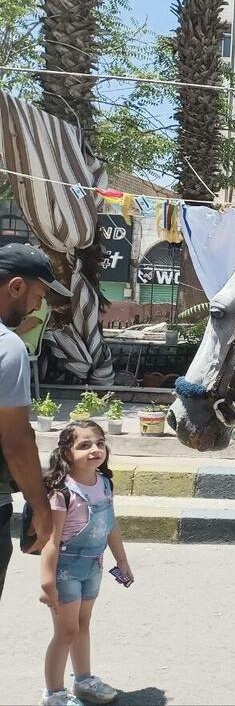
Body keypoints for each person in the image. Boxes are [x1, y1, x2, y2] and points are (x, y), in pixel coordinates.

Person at [40, 420, 130, 706]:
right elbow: (52, 541)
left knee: (82, 624)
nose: (95, 450)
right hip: (65, 571)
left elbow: (110, 525)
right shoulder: (62, 491)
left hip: (94, 566)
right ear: (66, 453)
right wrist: (47, 582)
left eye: (100, 443)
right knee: (65, 632)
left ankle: (84, 680)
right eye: (84, 445)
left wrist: (122, 561)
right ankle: (53, 694)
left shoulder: (104, 483)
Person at [0, 244, 71, 601]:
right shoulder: (7, 347)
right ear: (16, 287)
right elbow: (16, 442)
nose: (37, 307)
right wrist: (41, 509)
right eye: (39, 296)